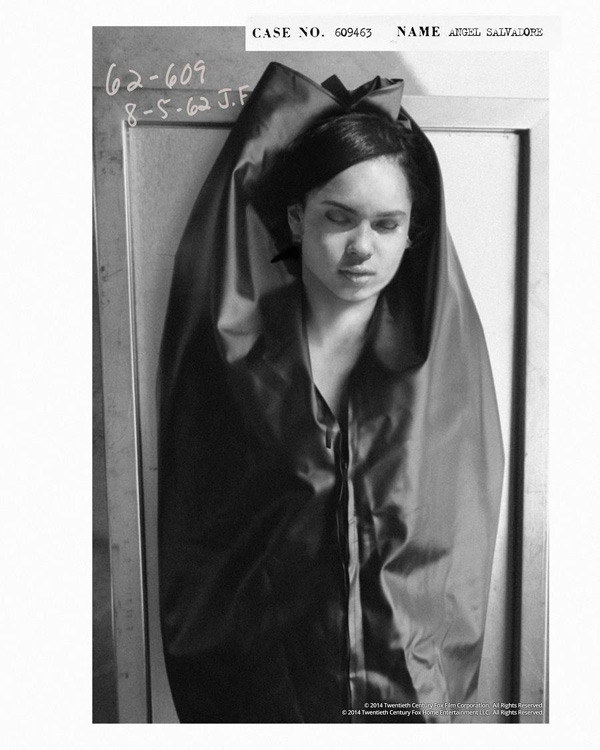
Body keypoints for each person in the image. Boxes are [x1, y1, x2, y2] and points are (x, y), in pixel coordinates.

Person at [157, 63, 504, 723]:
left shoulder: (447, 379)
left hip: (406, 702)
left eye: (386, 224)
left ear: (412, 232)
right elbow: (205, 543)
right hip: (263, 697)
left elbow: (456, 552)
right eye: (338, 218)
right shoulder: (236, 369)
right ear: (297, 218)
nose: (360, 248)